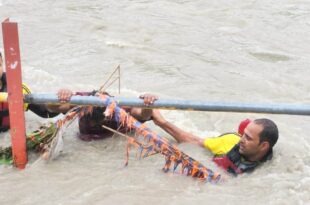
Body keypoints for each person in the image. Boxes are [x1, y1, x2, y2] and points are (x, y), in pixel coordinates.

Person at [151, 110, 279, 175]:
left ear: (264, 146)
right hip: (219, 144)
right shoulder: (230, 142)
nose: (242, 140)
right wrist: (161, 122)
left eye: (248, 138)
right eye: (243, 135)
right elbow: (192, 141)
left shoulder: (273, 165)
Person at [56, 89, 158, 141]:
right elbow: (54, 108)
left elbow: (143, 115)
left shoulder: (120, 110)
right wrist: (64, 93)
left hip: (121, 134)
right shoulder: (81, 104)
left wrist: (147, 103)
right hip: (88, 139)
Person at [0, 51, 64, 132]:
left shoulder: (17, 89)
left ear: (2, 64)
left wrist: (62, 101)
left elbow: (45, 113)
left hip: (9, 132)